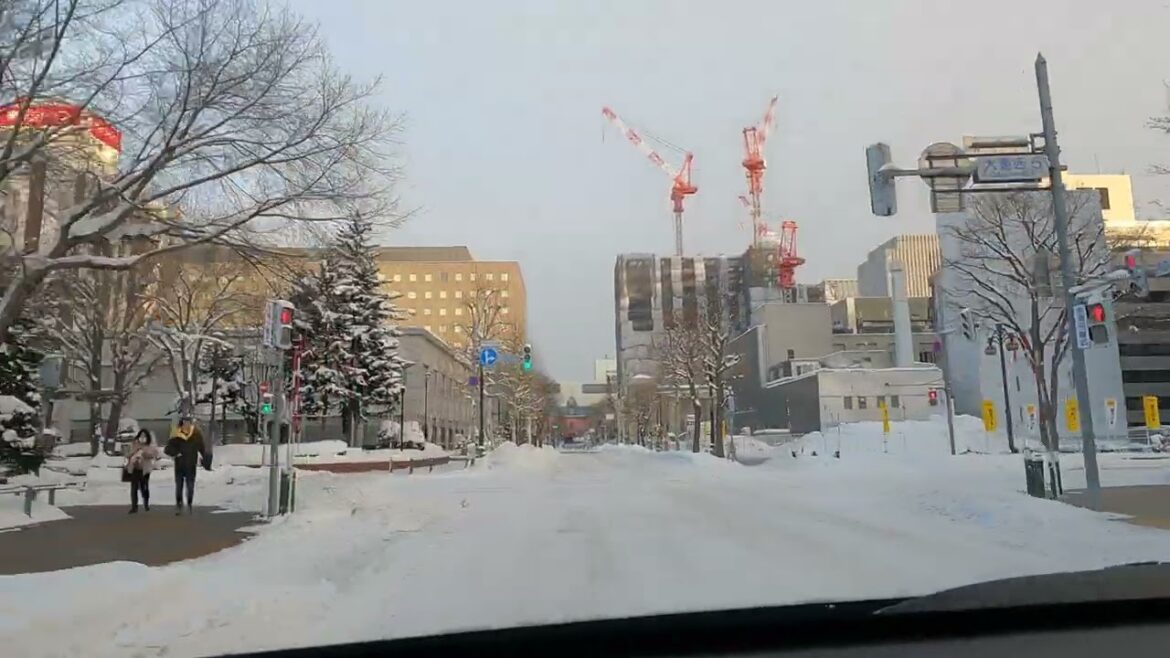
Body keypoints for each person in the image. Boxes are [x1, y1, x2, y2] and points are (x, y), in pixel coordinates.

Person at [164, 416, 210, 515]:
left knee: (190, 486)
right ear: (182, 423)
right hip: (179, 465)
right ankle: (179, 505)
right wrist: (176, 453)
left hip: (191, 464)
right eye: (185, 422)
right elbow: (167, 449)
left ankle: (189, 504)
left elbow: (202, 448)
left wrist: (206, 460)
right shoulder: (176, 434)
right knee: (179, 486)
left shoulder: (196, 435)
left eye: (188, 422)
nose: (187, 425)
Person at [124, 429, 161, 513]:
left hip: (145, 470)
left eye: (144, 436)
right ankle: (134, 507)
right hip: (135, 468)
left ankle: (146, 503)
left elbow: (155, 454)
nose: (142, 438)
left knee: (144, 487)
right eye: (141, 436)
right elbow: (128, 454)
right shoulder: (135, 445)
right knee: (134, 488)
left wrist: (146, 454)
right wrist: (133, 452)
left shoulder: (150, 446)